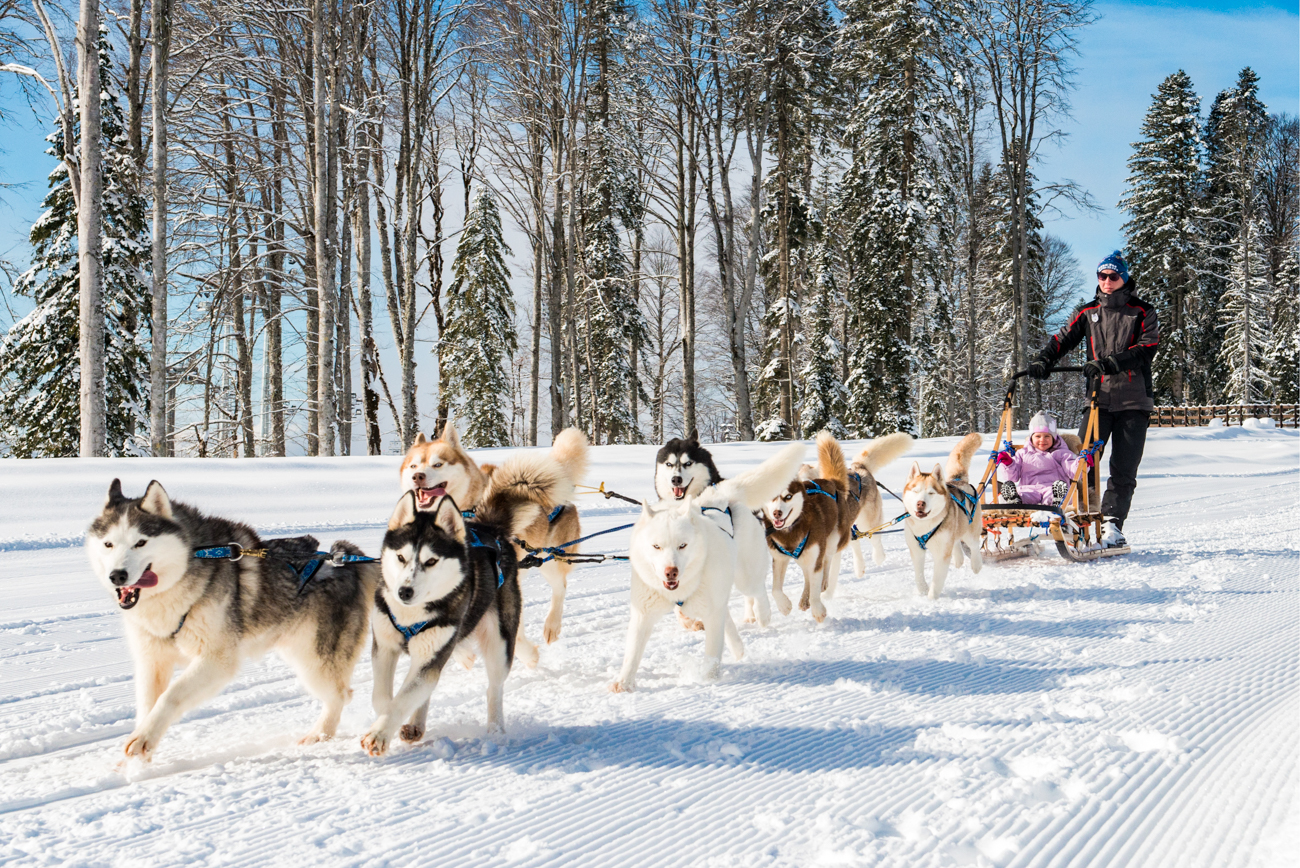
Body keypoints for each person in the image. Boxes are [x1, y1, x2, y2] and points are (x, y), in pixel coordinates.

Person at [1025, 250, 1159, 549]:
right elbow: (1062, 339)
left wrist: (1109, 363)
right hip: (1098, 400)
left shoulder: (1142, 311)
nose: (1107, 281)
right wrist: (1043, 361)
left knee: (1124, 467)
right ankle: (1081, 514)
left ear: (1124, 278)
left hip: (1134, 401)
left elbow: (1147, 347)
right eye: (1102, 276)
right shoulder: (1087, 312)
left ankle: (1112, 523)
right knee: (1082, 462)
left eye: (1113, 276)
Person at [996, 411, 1093, 506]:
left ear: (1054, 438)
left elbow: (1074, 472)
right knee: (1024, 494)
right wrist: (1008, 464)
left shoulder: (1062, 453)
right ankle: (1015, 501)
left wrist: (1081, 463)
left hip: (1053, 487)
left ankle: (1057, 501)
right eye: (1038, 436)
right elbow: (1012, 477)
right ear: (1031, 438)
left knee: (1054, 494)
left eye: (1047, 436)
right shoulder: (1022, 454)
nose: (1042, 440)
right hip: (1029, 489)